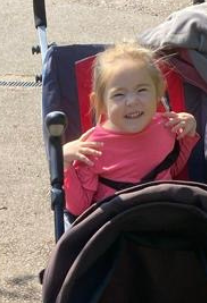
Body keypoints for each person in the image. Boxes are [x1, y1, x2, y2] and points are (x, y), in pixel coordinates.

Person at [62, 41, 200, 219]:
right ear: (101, 103)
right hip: (119, 227)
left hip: (165, 217)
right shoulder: (92, 148)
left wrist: (188, 133)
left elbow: (172, 169)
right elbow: (78, 209)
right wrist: (65, 163)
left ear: (158, 93)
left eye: (142, 90)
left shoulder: (166, 126)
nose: (132, 101)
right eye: (119, 94)